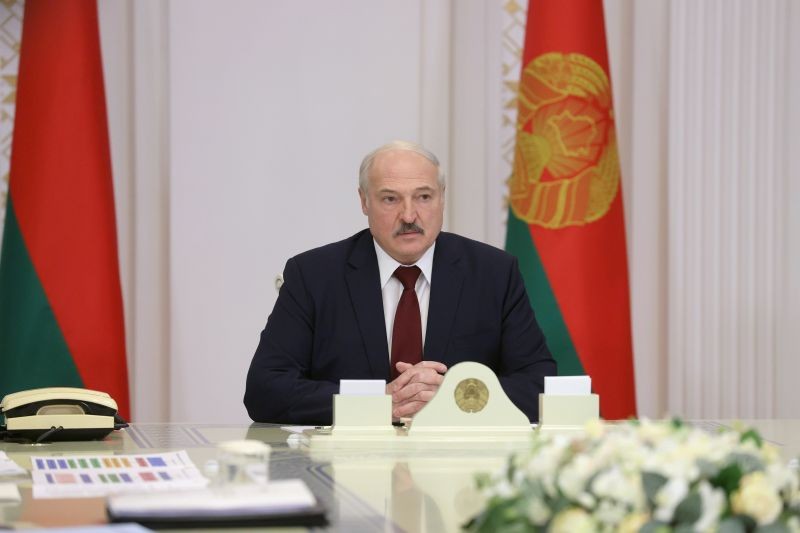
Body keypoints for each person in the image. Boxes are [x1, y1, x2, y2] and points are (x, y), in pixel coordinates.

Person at [244, 141, 555, 425]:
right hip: (346, 466)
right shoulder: (313, 275)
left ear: (442, 198)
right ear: (364, 201)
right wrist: (378, 403)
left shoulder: (493, 273)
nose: (409, 215)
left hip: (459, 471)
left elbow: (540, 385)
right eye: (390, 199)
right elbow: (265, 390)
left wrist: (454, 395)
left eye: (423, 197)